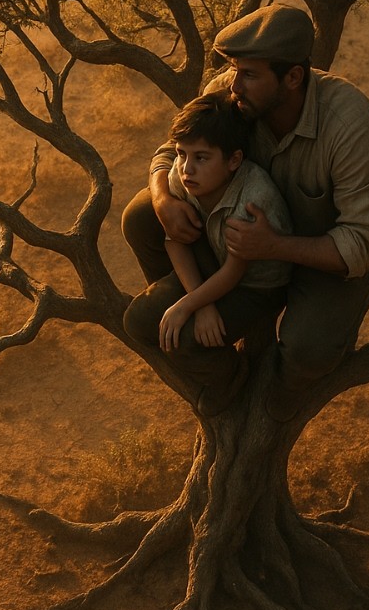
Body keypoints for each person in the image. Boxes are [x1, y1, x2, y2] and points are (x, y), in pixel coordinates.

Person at [122, 3, 369, 420]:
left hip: (319, 255)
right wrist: (163, 199)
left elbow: (364, 245)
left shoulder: (349, 125)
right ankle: (199, 308)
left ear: (293, 77)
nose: (234, 86)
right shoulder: (232, 92)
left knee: (309, 351)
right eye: (234, 71)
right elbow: (169, 151)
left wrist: (274, 245)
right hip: (236, 242)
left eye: (249, 74)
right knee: (142, 215)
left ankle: (275, 401)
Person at [122, 92, 292, 416]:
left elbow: (235, 272)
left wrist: (191, 305)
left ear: (233, 160)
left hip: (254, 285)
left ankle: (230, 376)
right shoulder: (183, 176)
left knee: (186, 342)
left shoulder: (252, 202)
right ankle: (179, 303)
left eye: (201, 158)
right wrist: (200, 304)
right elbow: (175, 239)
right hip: (212, 256)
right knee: (137, 322)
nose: (187, 168)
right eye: (182, 154)